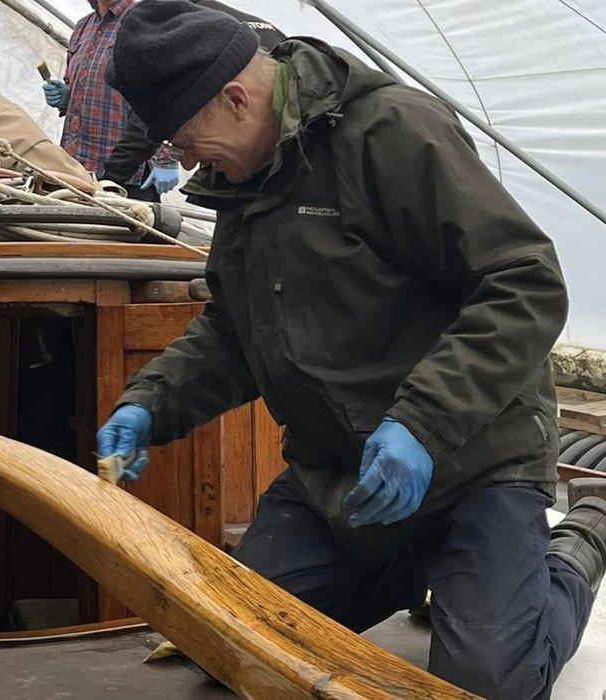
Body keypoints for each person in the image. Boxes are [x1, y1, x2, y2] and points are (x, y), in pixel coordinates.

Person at [95, 2, 606, 698]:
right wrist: (151, 403)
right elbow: (236, 329)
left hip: (471, 464)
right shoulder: (241, 178)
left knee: (486, 683)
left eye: (184, 141)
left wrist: (422, 424)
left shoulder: (392, 132)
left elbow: (524, 281)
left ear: (237, 98)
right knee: (227, 645)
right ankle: (416, 571)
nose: (183, 162)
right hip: (339, 480)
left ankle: (579, 545)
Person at [100, 0, 286, 188]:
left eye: (187, 143)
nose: (187, 165)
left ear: (236, 100)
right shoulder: (243, 157)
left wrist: (110, 178)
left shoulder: (192, 29)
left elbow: (146, 126)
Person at [42, 0, 177, 201]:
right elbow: (82, 86)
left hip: (128, 179)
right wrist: (67, 98)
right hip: (75, 170)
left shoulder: (149, 22)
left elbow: (172, 94)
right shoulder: (83, 27)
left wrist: (168, 158)